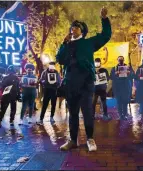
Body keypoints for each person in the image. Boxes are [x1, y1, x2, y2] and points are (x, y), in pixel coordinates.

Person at [56, 7, 111, 152]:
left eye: (76, 27)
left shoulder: (89, 43)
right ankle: (73, 140)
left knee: (87, 111)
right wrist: (63, 44)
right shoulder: (67, 45)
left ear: (82, 31)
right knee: (73, 113)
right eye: (72, 27)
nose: (73, 29)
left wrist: (104, 19)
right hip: (71, 83)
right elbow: (60, 60)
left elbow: (106, 35)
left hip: (86, 82)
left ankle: (90, 139)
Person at [110, 56, 134, 120]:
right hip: (117, 87)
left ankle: (125, 114)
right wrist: (115, 73)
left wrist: (129, 73)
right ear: (117, 60)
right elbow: (111, 77)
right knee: (119, 102)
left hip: (126, 87)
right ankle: (120, 115)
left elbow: (133, 75)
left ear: (123, 60)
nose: (120, 60)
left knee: (125, 101)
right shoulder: (114, 68)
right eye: (119, 59)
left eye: (121, 59)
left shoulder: (128, 67)